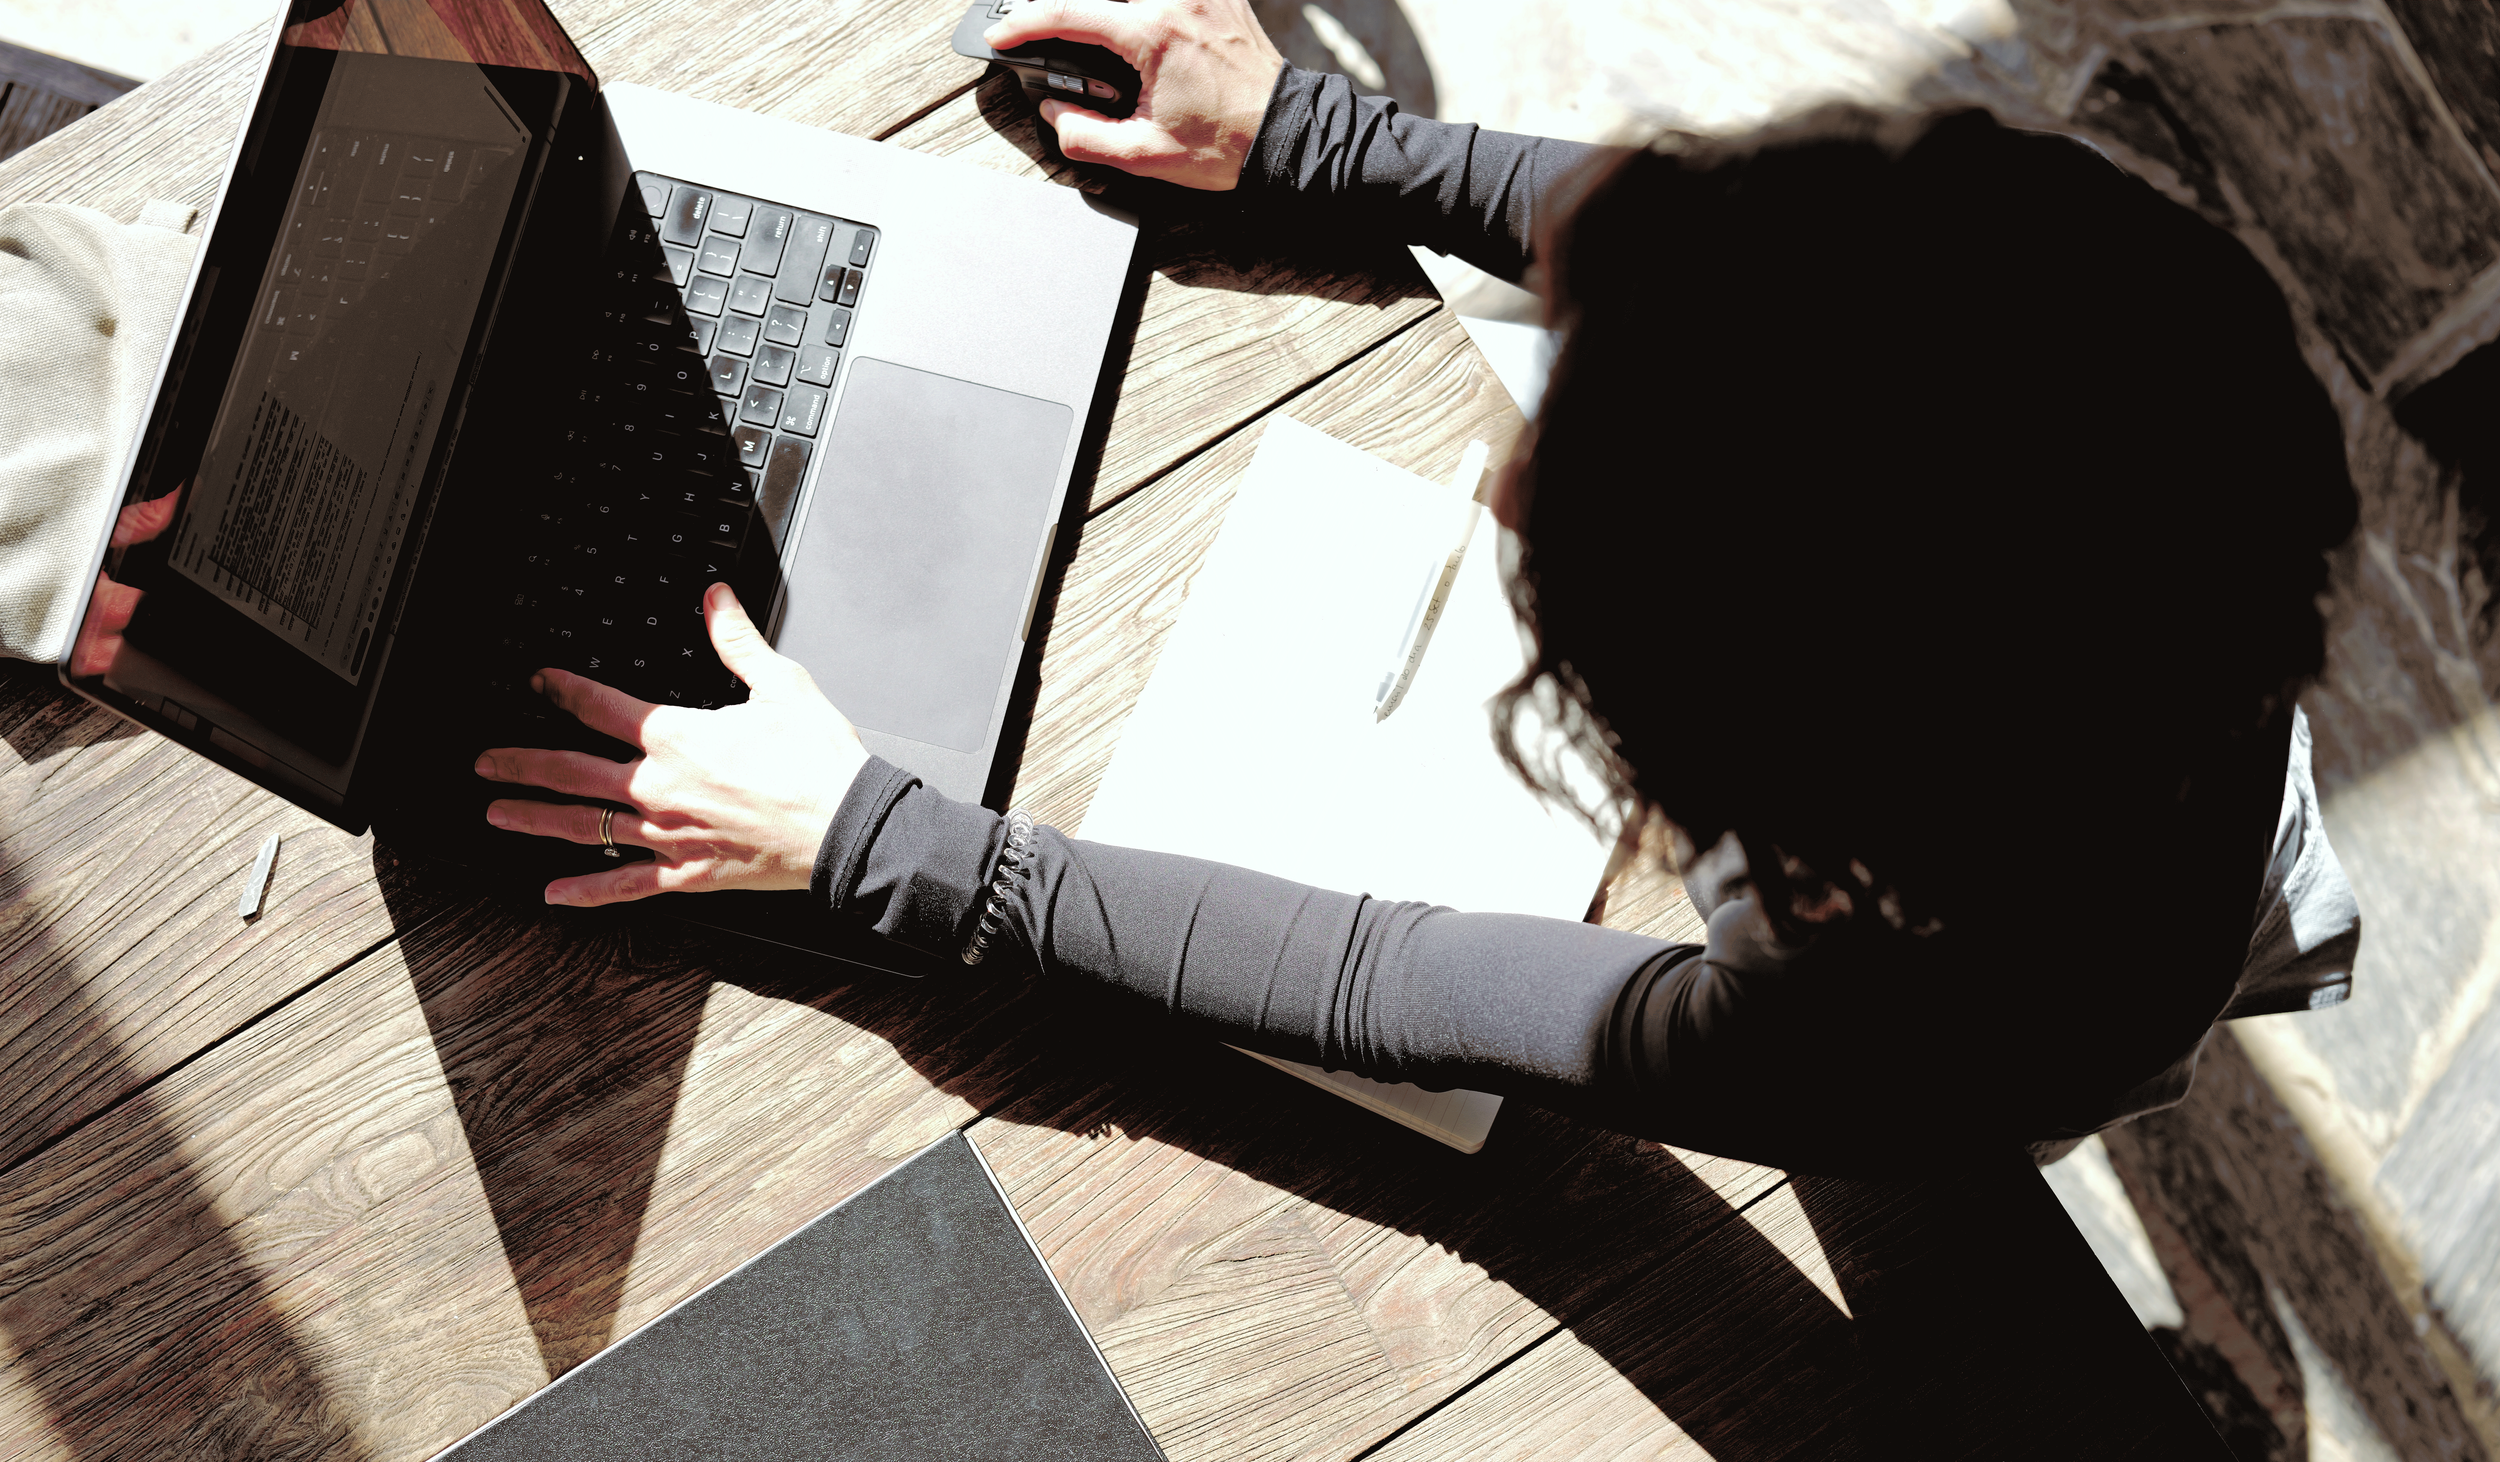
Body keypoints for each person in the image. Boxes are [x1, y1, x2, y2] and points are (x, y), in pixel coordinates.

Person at [471, 0, 2360, 1175]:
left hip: (2022, 1003)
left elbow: (1416, 977)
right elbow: (1705, 246)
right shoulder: (2073, 326)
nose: (1509, 474)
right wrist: (1320, 142)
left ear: (1787, 821)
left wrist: (892, 847)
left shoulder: (1903, 1035)